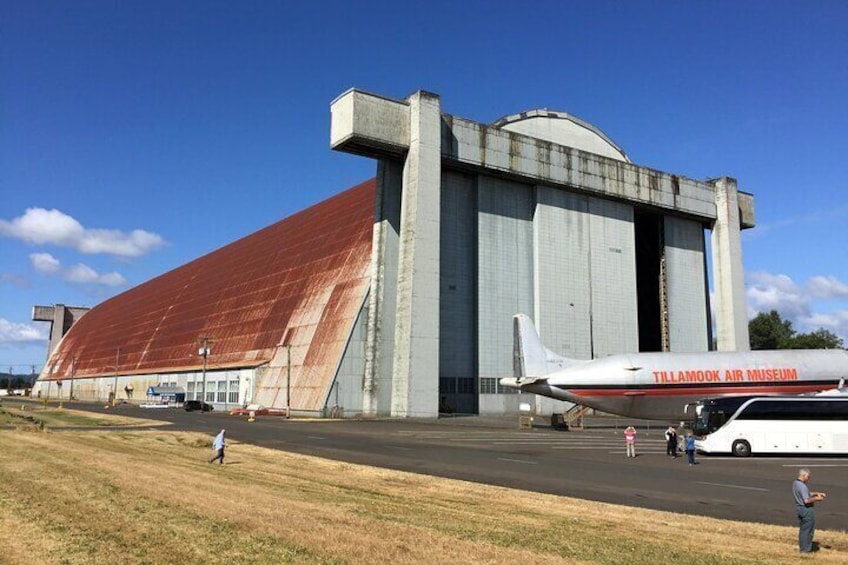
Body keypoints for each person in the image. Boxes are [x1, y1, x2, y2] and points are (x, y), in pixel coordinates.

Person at [793, 468, 826, 553]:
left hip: (800, 509)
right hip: (806, 509)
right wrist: (817, 498)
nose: (808, 478)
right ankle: (805, 550)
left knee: (803, 530)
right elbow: (806, 500)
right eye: (808, 477)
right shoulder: (803, 486)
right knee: (808, 530)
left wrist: (816, 493)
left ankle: (803, 548)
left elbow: (805, 493)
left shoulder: (796, 484)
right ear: (803, 475)